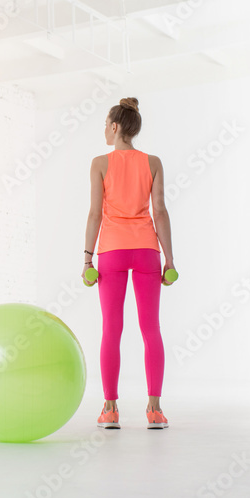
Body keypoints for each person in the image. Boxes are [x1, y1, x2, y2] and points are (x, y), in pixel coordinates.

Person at [81, 97, 175, 431]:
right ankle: (155, 411)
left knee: (112, 330)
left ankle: (110, 410)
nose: (104, 130)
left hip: (112, 252)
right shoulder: (153, 162)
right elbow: (160, 211)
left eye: (107, 124)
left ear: (116, 126)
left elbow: (95, 213)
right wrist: (170, 259)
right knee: (152, 330)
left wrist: (87, 258)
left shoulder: (99, 163)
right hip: (147, 250)